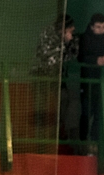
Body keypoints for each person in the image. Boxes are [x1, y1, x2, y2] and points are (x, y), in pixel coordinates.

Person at [31, 15, 79, 144]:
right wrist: (64, 43)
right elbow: (49, 57)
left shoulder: (70, 38)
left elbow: (71, 55)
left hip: (58, 78)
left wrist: (69, 42)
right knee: (42, 105)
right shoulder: (48, 34)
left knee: (65, 100)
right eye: (70, 29)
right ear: (63, 29)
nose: (72, 31)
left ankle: (62, 132)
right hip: (42, 76)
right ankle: (40, 137)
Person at [78, 13, 104, 154]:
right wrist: (96, 60)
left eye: (103, 27)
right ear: (92, 26)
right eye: (98, 27)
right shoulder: (84, 39)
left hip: (102, 83)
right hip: (88, 83)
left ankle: (94, 143)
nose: (101, 30)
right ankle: (83, 142)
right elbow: (81, 56)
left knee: (99, 115)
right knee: (86, 113)